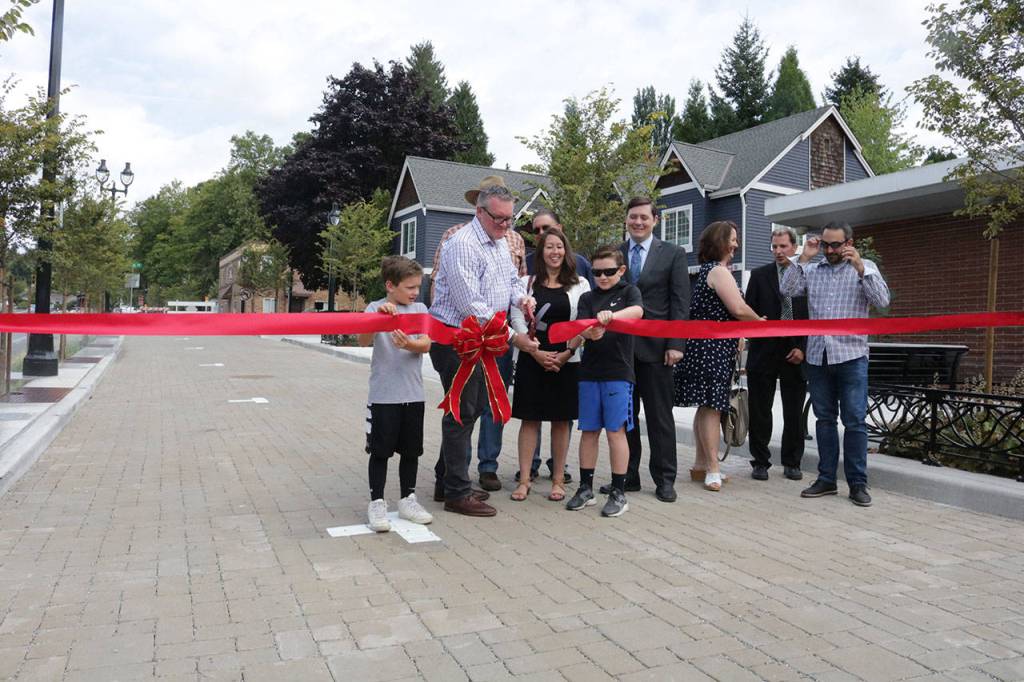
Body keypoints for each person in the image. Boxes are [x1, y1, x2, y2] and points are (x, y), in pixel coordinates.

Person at [429, 182, 538, 517]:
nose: (506, 226)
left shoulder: (499, 242)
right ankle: (456, 493)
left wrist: (523, 298)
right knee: (461, 412)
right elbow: (470, 306)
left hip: (483, 339)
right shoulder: (462, 245)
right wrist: (514, 337)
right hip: (458, 340)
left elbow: (510, 281)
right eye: (500, 219)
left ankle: (447, 480)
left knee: (471, 409)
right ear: (479, 212)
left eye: (510, 219)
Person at [781, 221, 889, 507]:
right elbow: (787, 289)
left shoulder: (865, 268)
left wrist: (861, 270)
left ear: (849, 243)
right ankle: (826, 478)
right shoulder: (813, 270)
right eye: (826, 245)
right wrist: (803, 257)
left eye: (835, 245)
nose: (829, 250)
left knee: (854, 421)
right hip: (818, 356)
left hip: (851, 355)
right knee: (825, 420)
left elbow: (882, 301)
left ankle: (857, 483)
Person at [602, 197, 689, 503]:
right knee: (625, 417)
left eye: (643, 217)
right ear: (626, 220)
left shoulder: (674, 254)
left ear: (655, 220)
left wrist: (676, 344)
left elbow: (680, 303)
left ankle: (665, 478)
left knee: (659, 417)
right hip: (620, 350)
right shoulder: (615, 254)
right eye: (632, 217)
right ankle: (628, 475)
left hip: (658, 350)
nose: (637, 222)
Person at [674, 221, 764, 492]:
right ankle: (713, 468)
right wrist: (759, 321)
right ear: (721, 241)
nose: (736, 244)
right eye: (733, 239)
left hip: (705, 347)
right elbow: (737, 308)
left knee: (705, 407)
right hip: (712, 348)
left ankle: (701, 464)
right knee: (713, 407)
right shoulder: (720, 272)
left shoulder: (705, 271)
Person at [508, 229, 590, 503]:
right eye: (549, 247)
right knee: (529, 420)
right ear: (540, 252)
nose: (555, 252)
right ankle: (524, 480)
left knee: (560, 421)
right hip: (533, 359)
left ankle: (557, 480)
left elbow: (584, 322)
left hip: (566, 361)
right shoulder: (525, 283)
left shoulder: (580, 284)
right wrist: (534, 351)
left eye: (559, 247)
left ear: (566, 251)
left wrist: (567, 352)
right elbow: (517, 318)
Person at [564, 246, 644, 517]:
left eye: (609, 271)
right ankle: (585, 488)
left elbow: (637, 312)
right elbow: (578, 331)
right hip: (589, 374)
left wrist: (611, 318)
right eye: (597, 272)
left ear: (621, 270)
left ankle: (619, 492)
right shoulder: (587, 297)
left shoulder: (628, 292)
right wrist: (587, 333)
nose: (602, 277)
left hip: (619, 374)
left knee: (615, 431)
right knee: (589, 431)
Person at [357, 256, 435, 532]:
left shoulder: (421, 309)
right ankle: (377, 502)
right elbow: (362, 340)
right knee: (380, 452)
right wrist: (379, 320)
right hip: (383, 396)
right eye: (409, 287)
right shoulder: (375, 307)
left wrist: (410, 345)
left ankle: (408, 499)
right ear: (390, 285)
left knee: (411, 451)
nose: (415, 292)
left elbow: (425, 344)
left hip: (413, 394)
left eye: (417, 287)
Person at [744, 226, 809, 482]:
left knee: (794, 411)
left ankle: (792, 462)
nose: (778, 251)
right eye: (774, 246)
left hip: (795, 350)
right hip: (764, 350)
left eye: (783, 246)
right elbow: (748, 312)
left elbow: (811, 315)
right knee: (760, 409)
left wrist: (802, 347)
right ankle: (760, 461)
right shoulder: (760, 276)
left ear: (794, 247)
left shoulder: (806, 275)